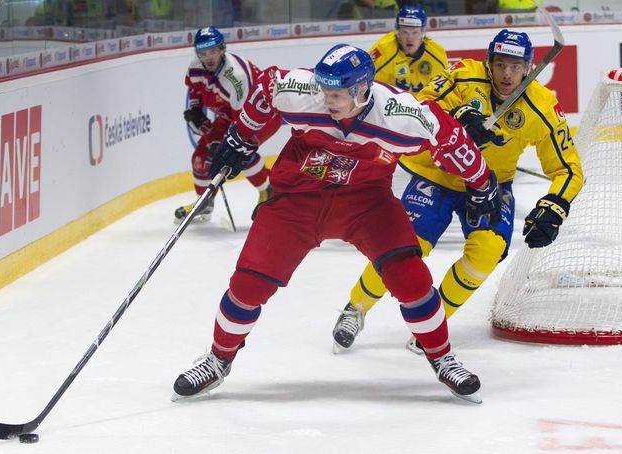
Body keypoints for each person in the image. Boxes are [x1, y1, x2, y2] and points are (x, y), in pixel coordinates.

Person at [171, 44, 503, 404]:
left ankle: (442, 358)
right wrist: (242, 134)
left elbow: (449, 136)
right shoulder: (303, 92)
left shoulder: (398, 115)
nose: (326, 98)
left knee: (411, 279)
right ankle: (219, 359)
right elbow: (267, 87)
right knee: (248, 285)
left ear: (362, 88)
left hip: (366, 203)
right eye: (323, 88)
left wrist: (483, 183)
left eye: (336, 93)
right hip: (298, 198)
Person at [331, 29, 583, 353]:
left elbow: (569, 168)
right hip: (438, 174)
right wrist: (460, 116)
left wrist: (554, 205)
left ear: (529, 67)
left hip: (491, 186)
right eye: (501, 64)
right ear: (488, 62)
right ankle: (356, 308)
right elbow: (418, 107)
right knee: (404, 248)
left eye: (516, 67)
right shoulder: (462, 74)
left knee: (487, 253)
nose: (507, 74)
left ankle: (434, 322)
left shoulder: (543, 106)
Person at [175, 26, 279, 224]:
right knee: (201, 156)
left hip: (261, 114)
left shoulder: (236, 77)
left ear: (222, 48)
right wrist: (196, 110)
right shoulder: (196, 66)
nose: (209, 57)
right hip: (229, 113)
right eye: (203, 53)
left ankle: (268, 191)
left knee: (240, 152)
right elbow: (195, 90)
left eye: (213, 51)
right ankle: (204, 202)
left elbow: (243, 123)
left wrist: (224, 143)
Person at [369, 5, 447, 95]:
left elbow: (446, 89)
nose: (410, 38)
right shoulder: (383, 51)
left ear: (422, 33)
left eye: (415, 32)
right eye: (405, 32)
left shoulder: (437, 54)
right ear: (398, 32)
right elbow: (366, 86)